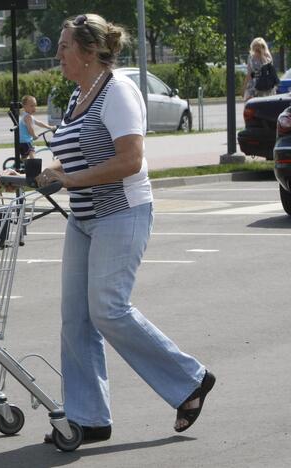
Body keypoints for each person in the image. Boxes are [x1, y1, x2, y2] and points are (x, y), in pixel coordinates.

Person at [34, 13, 215, 444]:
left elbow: (130, 160)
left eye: (64, 46)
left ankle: (190, 380)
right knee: (75, 319)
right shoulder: (80, 93)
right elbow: (78, 152)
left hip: (122, 212)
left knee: (107, 309)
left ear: (89, 52)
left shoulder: (118, 91)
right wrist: (52, 171)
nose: (57, 53)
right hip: (84, 217)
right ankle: (88, 417)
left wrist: (71, 179)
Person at [19, 95, 56, 159]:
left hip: (22, 142)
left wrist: (49, 127)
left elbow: (39, 123)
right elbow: (30, 128)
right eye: (31, 106)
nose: (34, 108)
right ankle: (33, 166)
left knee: (24, 157)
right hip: (25, 142)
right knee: (32, 152)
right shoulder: (28, 117)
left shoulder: (28, 116)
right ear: (24, 107)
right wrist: (34, 135)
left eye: (35, 105)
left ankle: (21, 166)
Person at [243, 37, 278, 101]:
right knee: (250, 106)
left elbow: (268, 69)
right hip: (254, 86)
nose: (257, 49)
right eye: (255, 47)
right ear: (252, 47)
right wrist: (244, 87)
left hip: (266, 87)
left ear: (263, 47)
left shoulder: (267, 56)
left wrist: (262, 56)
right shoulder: (251, 57)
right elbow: (249, 73)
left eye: (259, 46)